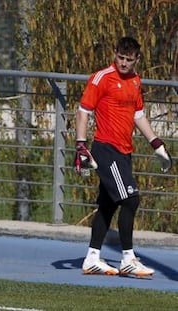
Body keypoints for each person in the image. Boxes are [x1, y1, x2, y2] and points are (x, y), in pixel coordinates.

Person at [74, 36, 172, 277]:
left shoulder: (136, 81)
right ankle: (128, 258)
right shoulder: (101, 78)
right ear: (114, 53)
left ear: (137, 59)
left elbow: (138, 115)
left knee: (108, 205)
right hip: (106, 149)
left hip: (125, 151)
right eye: (120, 57)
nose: (124, 63)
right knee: (130, 200)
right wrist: (81, 146)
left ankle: (92, 258)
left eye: (129, 59)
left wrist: (156, 143)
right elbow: (83, 111)